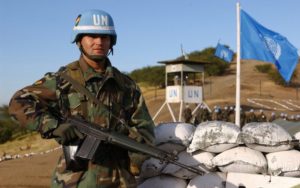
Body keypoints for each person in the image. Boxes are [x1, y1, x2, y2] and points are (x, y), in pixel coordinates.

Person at [8, 9, 155, 188]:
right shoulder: (62, 80)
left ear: (111, 42)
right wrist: (54, 126)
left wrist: (134, 158)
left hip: (120, 180)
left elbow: (145, 128)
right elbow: (19, 102)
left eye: (105, 37)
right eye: (91, 36)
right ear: (79, 40)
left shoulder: (126, 86)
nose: (99, 42)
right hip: (76, 180)